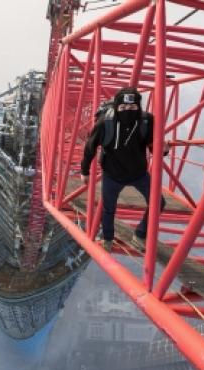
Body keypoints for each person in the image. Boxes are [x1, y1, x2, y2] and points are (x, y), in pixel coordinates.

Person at [80, 87, 169, 252]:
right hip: (112, 174)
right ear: (116, 108)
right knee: (108, 209)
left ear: (139, 107)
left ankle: (140, 234)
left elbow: (154, 148)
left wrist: (163, 150)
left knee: (159, 203)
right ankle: (107, 238)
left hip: (138, 174)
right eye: (123, 108)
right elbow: (89, 148)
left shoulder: (147, 121)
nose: (128, 111)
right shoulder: (104, 124)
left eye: (132, 107)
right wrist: (84, 171)